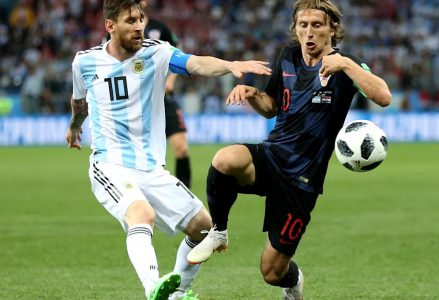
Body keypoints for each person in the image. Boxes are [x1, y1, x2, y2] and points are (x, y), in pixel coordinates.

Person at [65, 1, 271, 300]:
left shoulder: (157, 52)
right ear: (110, 26)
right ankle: (153, 289)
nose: (139, 26)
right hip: (110, 163)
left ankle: (178, 293)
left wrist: (229, 66)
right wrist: (74, 126)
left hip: (151, 167)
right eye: (130, 21)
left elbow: (196, 63)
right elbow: (78, 101)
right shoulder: (84, 62)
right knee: (141, 214)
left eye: (141, 19)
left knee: (204, 229)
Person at [187, 0, 391, 299]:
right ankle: (218, 231)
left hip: (303, 180)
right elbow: (271, 107)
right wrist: (252, 93)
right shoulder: (288, 56)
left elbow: (383, 96)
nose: (309, 32)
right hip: (273, 155)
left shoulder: (346, 64)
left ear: (332, 29)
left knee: (271, 272)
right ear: (295, 28)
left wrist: (346, 64)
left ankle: (293, 284)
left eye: (317, 25)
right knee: (225, 158)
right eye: (303, 25)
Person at [144, 10, 192, 188]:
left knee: (181, 147)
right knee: (149, 156)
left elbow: (178, 54)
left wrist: (170, 80)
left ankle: (185, 194)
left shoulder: (159, 28)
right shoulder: (122, 29)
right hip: (141, 103)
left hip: (165, 99)